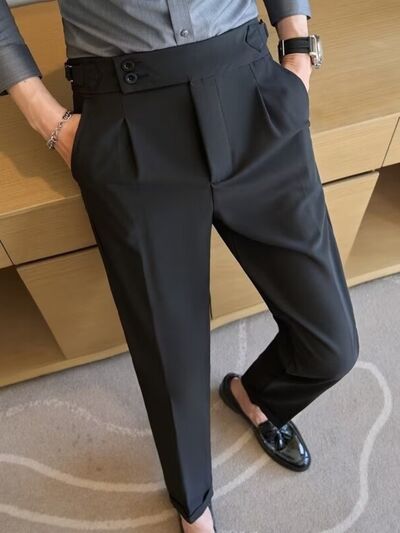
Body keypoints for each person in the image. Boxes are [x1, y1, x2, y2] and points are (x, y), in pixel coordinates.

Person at [0, 1, 360, 532]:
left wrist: (299, 48)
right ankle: (193, 506)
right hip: (125, 109)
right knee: (171, 360)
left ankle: (257, 394)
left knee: (333, 346)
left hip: (250, 86)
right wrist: (47, 120)